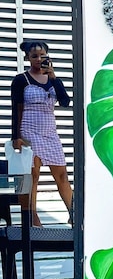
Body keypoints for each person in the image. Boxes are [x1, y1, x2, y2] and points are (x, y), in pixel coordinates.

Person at [11, 39, 73, 226]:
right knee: (33, 176)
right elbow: (16, 109)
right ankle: (32, 219)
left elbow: (65, 102)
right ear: (27, 58)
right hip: (29, 130)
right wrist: (16, 137)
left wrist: (54, 77)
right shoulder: (21, 80)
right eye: (34, 56)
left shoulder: (53, 79)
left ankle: (74, 213)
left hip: (49, 132)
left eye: (42, 56)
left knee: (62, 175)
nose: (39, 59)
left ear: (48, 57)